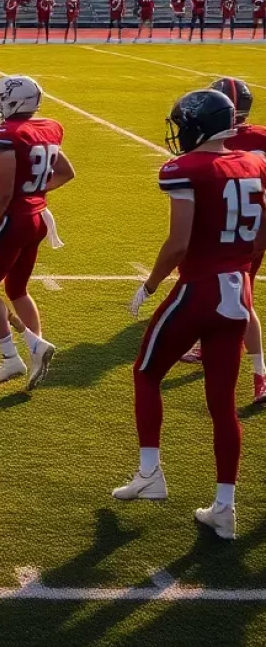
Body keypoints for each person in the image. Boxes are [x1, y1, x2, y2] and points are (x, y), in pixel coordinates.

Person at [113, 89, 266, 540]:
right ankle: (225, 507)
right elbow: (261, 237)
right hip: (237, 295)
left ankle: (150, 474)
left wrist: (149, 284)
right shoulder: (256, 164)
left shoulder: (186, 169)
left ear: (197, 125)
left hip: (198, 289)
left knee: (145, 373)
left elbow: (178, 243)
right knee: (223, 406)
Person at [0, 76, 74, 388]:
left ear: (14, 101)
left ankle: (11, 357)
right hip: (39, 217)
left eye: (1, 99)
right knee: (18, 290)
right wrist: (35, 193)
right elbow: (67, 173)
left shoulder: (7, 134)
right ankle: (36, 352)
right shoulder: (48, 128)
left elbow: (3, 193)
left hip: (14, 220)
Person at [212, 78, 266, 405]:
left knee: (238, 298)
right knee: (237, 294)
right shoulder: (260, 136)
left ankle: (260, 375)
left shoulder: (220, 143)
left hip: (232, 229)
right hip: (251, 224)